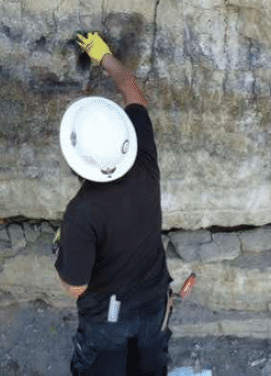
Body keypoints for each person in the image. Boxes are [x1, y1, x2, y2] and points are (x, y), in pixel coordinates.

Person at [54, 32, 173, 376]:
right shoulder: (145, 161)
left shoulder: (81, 213)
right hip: (154, 309)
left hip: (109, 319)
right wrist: (105, 56)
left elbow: (76, 287)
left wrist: (59, 251)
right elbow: (132, 90)